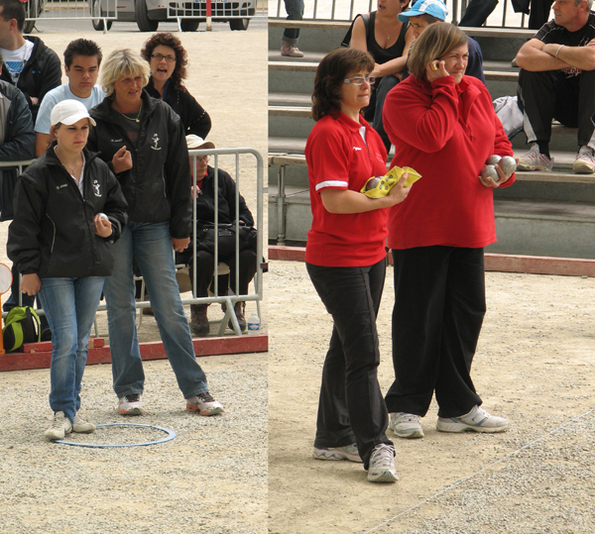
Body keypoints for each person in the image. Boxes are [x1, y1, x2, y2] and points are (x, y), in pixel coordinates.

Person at [382, 23, 514, 440]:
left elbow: (498, 141)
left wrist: (503, 170)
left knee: (466, 313)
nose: (460, 64)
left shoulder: (475, 89)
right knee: (418, 316)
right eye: (452, 57)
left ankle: (458, 406)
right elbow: (434, 137)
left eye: (464, 56)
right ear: (430, 57)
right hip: (422, 222)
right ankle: (405, 403)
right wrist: (443, 88)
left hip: (469, 219)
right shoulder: (401, 96)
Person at [87, 49, 224, 417]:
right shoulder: (95, 122)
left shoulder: (165, 114)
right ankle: (129, 391)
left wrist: (181, 228)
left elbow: (181, 175)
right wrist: (110, 170)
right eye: (126, 79)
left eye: (138, 78)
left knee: (170, 306)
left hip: (156, 222)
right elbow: (85, 179)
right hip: (114, 226)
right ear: (111, 83)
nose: (134, 85)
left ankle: (196, 389)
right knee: (120, 308)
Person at [305, 47, 412, 483]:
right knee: (364, 352)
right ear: (334, 87)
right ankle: (376, 445)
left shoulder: (368, 130)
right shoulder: (328, 133)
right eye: (357, 79)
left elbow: (362, 188)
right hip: (337, 256)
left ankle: (333, 435)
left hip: (371, 252)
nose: (368, 84)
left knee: (347, 346)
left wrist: (386, 188)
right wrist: (386, 198)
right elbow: (334, 199)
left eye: (368, 77)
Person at [7, 99, 128, 441]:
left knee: (80, 342)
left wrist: (111, 227)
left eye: (84, 128)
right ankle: (61, 410)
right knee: (66, 339)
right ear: (54, 131)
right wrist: (27, 269)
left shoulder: (100, 168)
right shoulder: (36, 175)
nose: (80, 135)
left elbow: (119, 208)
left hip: (93, 266)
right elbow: (24, 228)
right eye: (72, 128)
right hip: (54, 269)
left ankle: (70, 410)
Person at [176, 134, 257, 336]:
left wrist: (240, 223)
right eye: (197, 158)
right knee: (202, 258)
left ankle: (236, 304)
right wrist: (185, 200)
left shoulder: (221, 177)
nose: (203, 163)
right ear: (183, 160)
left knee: (249, 256)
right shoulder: (176, 183)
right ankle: (199, 308)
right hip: (196, 241)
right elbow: (168, 219)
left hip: (226, 238)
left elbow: (245, 213)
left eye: (206, 157)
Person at [515, 0, 595, 174]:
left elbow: (592, 59)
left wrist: (552, 49)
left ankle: (589, 150)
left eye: (562, 2)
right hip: (564, 106)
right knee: (530, 70)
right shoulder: (552, 28)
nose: (554, 6)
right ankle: (540, 151)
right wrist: (577, 58)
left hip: (592, 108)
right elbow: (523, 57)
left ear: (582, 5)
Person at [350, 0, 416, 153]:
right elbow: (360, 63)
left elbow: (408, 59)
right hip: (366, 90)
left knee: (389, 82)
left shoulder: (410, 25)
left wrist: (379, 70)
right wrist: (390, 69)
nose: (381, 1)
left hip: (394, 96)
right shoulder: (363, 21)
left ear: (404, 2)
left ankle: (378, 150)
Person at [35, 38, 105, 157]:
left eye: (92, 70)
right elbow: (42, 145)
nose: (86, 76)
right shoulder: (53, 99)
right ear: (66, 70)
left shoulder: (105, 96)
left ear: (98, 70)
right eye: (79, 70)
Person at [140, 32, 211, 139]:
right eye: (158, 56)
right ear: (148, 59)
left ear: (176, 63)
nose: (163, 62)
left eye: (169, 57)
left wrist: (181, 143)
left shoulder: (178, 92)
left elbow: (203, 121)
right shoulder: (138, 89)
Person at [0, 0, 61, 123]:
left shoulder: (48, 60)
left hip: (35, 137)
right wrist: (29, 100)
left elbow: (48, 110)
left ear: (12, 24)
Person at [398, 0, 486, 84]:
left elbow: (477, 87)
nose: (414, 32)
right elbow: (409, 81)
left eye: (418, 26)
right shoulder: (415, 47)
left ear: (436, 25)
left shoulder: (469, 46)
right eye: (412, 26)